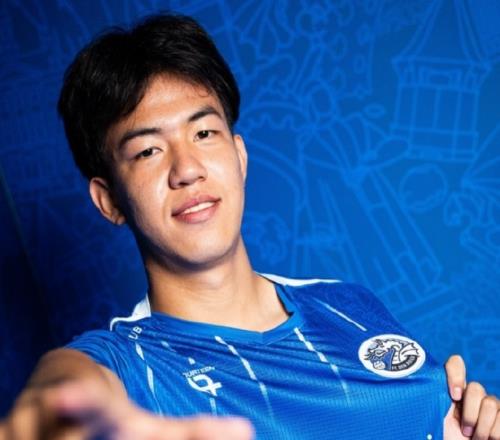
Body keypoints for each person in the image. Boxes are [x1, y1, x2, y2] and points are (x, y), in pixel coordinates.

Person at [1, 13, 498, 440]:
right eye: (148, 150)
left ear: (239, 156)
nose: (187, 169)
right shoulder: (131, 367)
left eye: (204, 132)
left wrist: (469, 425)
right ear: (109, 200)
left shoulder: (348, 304)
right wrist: (54, 407)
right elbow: (70, 385)